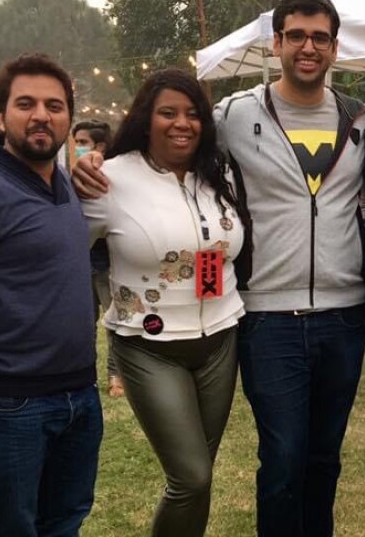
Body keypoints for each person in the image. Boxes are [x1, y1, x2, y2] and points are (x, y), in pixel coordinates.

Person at [73, 0, 365, 537]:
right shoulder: (235, 114)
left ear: (334, 47)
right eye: (296, 36)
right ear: (276, 43)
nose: (308, 47)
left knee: (325, 458)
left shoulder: (361, 119)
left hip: (343, 314)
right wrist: (94, 160)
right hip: (268, 319)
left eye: (320, 38)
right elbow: (167, 135)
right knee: (282, 458)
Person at [79, 68, 248, 536]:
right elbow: (63, 246)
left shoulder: (217, 172)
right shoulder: (109, 178)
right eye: (168, 113)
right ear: (145, 118)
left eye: (192, 114)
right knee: (190, 476)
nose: (182, 124)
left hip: (220, 340)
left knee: (200, 476)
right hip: (148, 345)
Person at [0, 54, 103, 536]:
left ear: (69, 118)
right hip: (10, 400)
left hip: (80, 391)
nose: (41, 115)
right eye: (26, 104)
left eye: (54, 106)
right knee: (13, 527)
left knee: (66, 520)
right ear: (1, 115)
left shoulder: (64, 179)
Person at [74, 119, 124, 397]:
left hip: (108, 264)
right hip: (84, 263)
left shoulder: (113, 178)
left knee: (114, 321)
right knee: (84, 323)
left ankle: (116, 376)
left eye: (83, 142)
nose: (78, 148)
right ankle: (87, 375)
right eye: (76, 143)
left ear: (101, 146)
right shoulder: (74, 177)